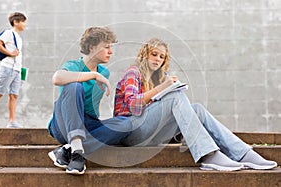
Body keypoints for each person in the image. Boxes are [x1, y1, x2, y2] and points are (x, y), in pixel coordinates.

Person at [114, 38, 277, 171]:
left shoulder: (159, 77)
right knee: (175, 97)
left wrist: (167, 88)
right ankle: (209, 155)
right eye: (154, 54)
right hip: (131, 132)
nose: (157, 59)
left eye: (161, 57)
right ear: (145, 55)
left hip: (150, 135)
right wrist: (163, 88)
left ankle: (243, 154)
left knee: (197, 109)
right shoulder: (133, 72)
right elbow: (133, 106)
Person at [47, 27, 132, 175]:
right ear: (92, 47)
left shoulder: (104, 72)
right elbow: (57, 78)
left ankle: (69, 149)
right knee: (74, 86)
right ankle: (77, 152)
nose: (110, 51)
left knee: (125, 124)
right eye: (106, 47)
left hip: (87, 123)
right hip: (63, 123)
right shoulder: (73, 65)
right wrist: (92, 75)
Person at [0, 12, 27, 128]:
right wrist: (10, 53)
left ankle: (12, 121)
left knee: (14, 95)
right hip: (7, 68)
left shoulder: (18, 37)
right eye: (23, 21)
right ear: (15, 22)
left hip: (17, 70)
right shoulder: (9, 33)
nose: (25, 24)